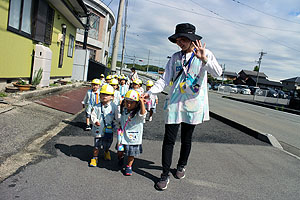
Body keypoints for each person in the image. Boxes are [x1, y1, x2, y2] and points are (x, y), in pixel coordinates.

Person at [143, 23, 222, 190]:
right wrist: (150, 92)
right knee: (169, 139)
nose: (180, 43)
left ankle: (181, 165)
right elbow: (164, 79)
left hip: (193, 103)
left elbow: (218, 73)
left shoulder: (205, 54)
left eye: (183, 39)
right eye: (178, 40)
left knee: (187, 138)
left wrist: (204, 59)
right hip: (174, 101)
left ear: (192, 39)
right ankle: (164, 174)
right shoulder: (175, 57)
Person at [117, 90, 146, 176]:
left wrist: (141, 102)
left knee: (131, 154)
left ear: (136, 104)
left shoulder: (138, 113)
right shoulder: (124, 110)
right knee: (120, 151)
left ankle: (129, 166)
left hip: (133, 137)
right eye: (127, 102)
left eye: (131, 103)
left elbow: (143, 114)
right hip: (122, 136)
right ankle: (120, 157)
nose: (129, 104)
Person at [89, 84, 119, 167]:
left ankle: (106, 151)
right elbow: (93, 115)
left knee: (108, 143)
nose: (104, 96)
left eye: (107, 94)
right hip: (98, 129)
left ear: (112, 96)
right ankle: (94, 158)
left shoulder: (114, 107)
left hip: (109, 130)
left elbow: (116, 118)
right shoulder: (96, 106)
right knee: (97, 144)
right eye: (103, 94)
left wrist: (118, 126)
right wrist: (95, 121)